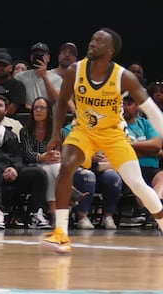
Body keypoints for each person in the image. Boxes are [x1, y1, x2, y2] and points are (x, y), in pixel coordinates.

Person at [42, 29, 163, 254]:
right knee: (66, 165)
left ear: (110, 50)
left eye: (99, 41)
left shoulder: (124, 76)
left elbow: (151, 110)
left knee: (137, 184)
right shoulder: (74, 70)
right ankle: (60, 233)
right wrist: (55, 134)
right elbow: (60, 104)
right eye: (92, 39)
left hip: (113, 134)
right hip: (84, 131)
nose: (92, 43)